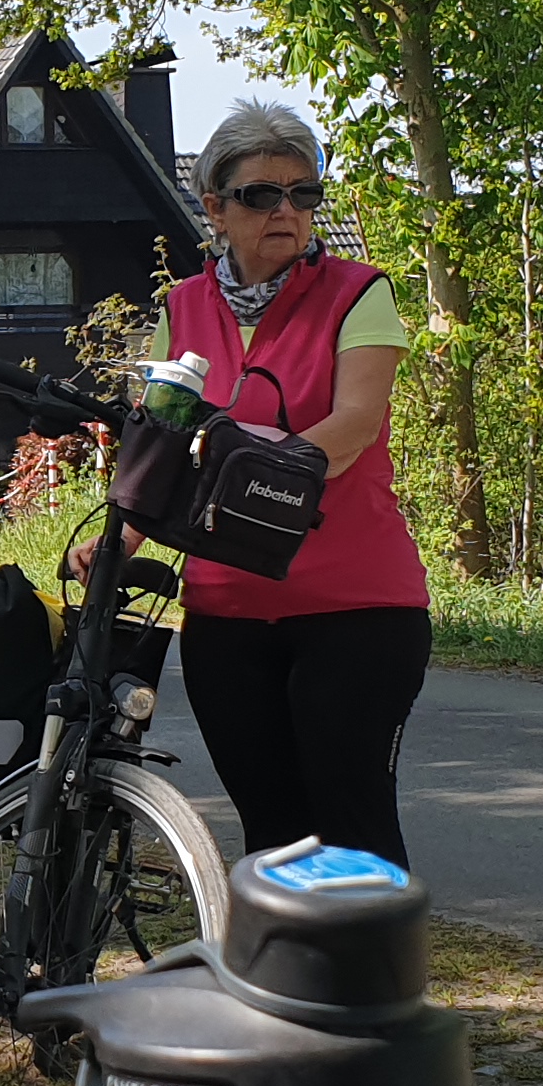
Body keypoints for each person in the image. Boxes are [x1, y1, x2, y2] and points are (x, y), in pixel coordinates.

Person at [67, 101, 428, 864]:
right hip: (227, 614)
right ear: (216, 209)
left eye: (304, 194)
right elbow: (157, 446)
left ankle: (368, 984)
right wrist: (121, 537)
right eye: (262, 194)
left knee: (351, 823)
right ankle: (290, 982)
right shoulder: (183, 307)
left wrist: (252, 472)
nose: (286, 211)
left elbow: (357, 420)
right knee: (273, 831)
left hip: (356, 606)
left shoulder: (360, 294)